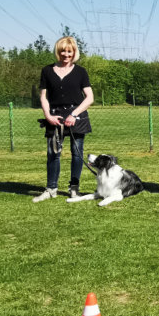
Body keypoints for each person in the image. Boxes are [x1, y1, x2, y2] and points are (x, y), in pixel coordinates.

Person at [33, 36, 94, 202]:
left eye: (69, 51)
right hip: (55, 117)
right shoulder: (47, 71)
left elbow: (89, 98)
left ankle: (74, 188)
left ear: (74, 52)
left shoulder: (81, 72)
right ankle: (51, 188)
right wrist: (48, 116)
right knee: (53, 154)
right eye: (63, 51)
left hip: (77, 117)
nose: (66, 54)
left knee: (77, 154)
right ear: (58, 52)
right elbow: (43, 97)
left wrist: (74, 115)